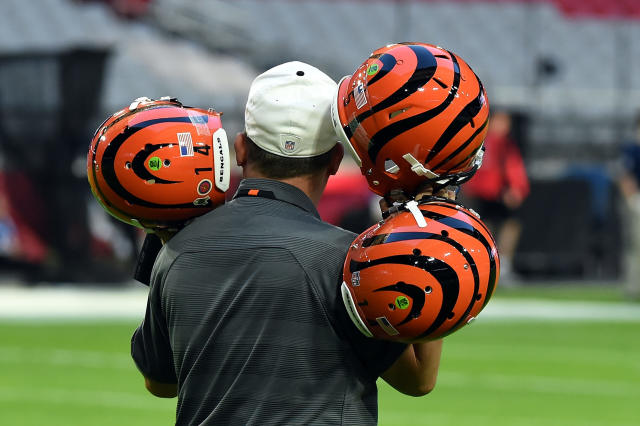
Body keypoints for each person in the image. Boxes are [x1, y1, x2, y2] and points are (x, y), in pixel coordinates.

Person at [130, 61, 443, 425]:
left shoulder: (176, 251)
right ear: (335, 160)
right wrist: (425, 225)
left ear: (241, 150)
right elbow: (418, 378)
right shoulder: (349, 260)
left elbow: (160, 382)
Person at [461, 109, 529, 281]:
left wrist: (516, 189)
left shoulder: (505, 144)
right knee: (484, 227)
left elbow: (514, 168)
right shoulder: (484, 142)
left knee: (510, 225)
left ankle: (503, 264)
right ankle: (486, 263)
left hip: (497, 193)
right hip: (483, 193)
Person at [618, 112, 640, 299]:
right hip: (637, 200)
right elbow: (625, 176)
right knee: (636, 244)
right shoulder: (632, 148)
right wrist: (633, 199)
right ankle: (634, 287)